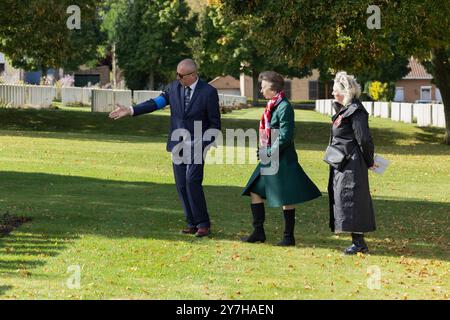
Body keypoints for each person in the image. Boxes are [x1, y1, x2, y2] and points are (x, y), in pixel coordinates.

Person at [109, 59, 221, 237]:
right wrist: (131, 110)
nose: (178, 78)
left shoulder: (208, 92)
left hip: (197, 146)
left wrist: (204, 145)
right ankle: (191, 222)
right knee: (181, 185)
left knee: (192, 181)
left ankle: (203, 223)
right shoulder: (173, 88)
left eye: (181, 75)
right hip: (177, 145)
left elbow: (215, 124)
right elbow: (155, 103)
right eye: (176, 74)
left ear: (192, 75)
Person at [241, 71, 322, 246]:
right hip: (269, 156)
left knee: (287, 197)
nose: (261, 90)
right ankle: (259, 232)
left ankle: (288, 237)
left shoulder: (284, 106)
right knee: (255, 190)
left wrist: (269, 151)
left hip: (282, 158)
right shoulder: (272, 104)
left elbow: (285, 136)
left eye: (263, 87)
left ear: (272, 88)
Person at [326, 71, 377, 254]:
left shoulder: (356, 111)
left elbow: (364, 139)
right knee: (345, 199)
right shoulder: (346, 109)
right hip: (343, 162)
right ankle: (357, 241)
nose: (332, 93)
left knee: (353, 200)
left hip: (352, 163)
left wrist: (369, 161)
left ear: (346, 91)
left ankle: (359, 243)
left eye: (335, 90)